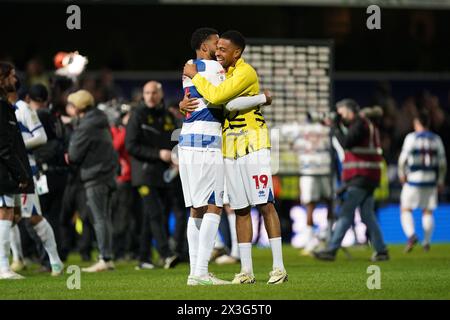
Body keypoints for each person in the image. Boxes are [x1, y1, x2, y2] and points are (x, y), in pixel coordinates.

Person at [183, 30, 287, 285]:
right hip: (228, 146)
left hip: (254, 142)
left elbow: (221, 99)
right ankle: (246, 271)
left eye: (223, 49)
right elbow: (217, 102)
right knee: (239, 209)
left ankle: (278, 267)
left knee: (265, 203)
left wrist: (196, 77)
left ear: (236, 53)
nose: (218, 52)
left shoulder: (245, 72)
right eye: (216, 48)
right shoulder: (223, 73)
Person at [314, 99, 389, 262]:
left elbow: (346, 142)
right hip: (368, 175)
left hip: (361, 175)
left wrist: (334, 127)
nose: (340, 116)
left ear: (349, 111)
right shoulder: (364, 124)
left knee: (346, 213)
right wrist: (334, 125)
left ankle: (331, 250)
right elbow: (350, 136)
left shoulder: (361, 123)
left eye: (341, 112)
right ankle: (382, 250)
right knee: (367, 214)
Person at [12, 77, 64, 276]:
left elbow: (40, 137)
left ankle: (55, 261)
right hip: (10, 169)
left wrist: (16, 147)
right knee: (8, 216)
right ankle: (14, 261)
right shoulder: (6, 109)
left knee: (33, 216)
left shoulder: (23, 109)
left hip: (27, 169)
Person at [125, 81, 179, 270]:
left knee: (152, 216)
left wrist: (174, 157)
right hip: (144, 174)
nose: (150, 96)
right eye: (147, 92)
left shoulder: (168, 117)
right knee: (155, 213)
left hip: (164, 175)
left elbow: (174, 142)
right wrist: (158, 154)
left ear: (160, 95)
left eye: (153, 93)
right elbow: (130, 145)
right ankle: (166, 254)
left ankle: (144, 258)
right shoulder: (137, 116)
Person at [67, 89, 118, 272]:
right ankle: (107, 256)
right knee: (105, 217)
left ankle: (105, 258)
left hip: (95, 176)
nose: (68, 108)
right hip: (108, 175)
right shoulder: (99, 120)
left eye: (71, 105)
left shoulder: (86, 126)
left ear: (78, 107)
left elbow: (73, 155)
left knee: (99, 219)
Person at [0, 62, 34, 279]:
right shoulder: (1, 107)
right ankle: (3, 267)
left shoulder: (5, 105)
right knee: (6, 214)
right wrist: (21, 173)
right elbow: (4, 146)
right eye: (11, 76)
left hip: (6, 169)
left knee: (8, 215)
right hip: (3, 171)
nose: (15, 79)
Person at [398, 110, 447, 252]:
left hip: (413, 178)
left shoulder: (411, 138)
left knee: (405, 208)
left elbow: (402, 160)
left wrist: (402, 174)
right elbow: (443, 163)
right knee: (428, 211)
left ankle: (411, 235)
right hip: (431, 180)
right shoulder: (436, 139)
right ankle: (426, 242)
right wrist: (441, 180)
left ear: (417, 123)